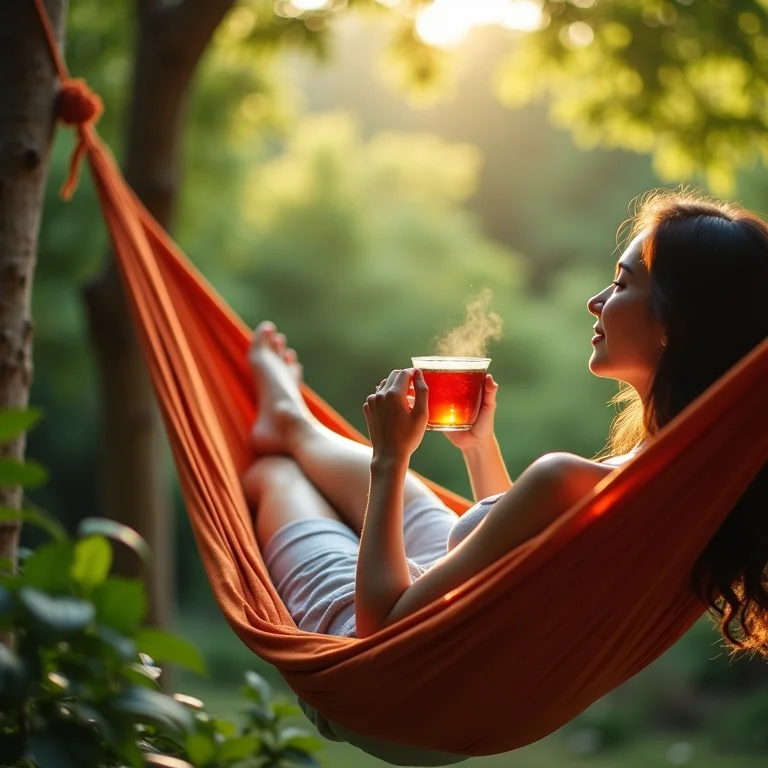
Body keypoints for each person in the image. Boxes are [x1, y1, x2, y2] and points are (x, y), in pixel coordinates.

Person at [242, 189, 768, 654]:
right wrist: (479, 449)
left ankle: (287, 429)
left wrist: (390, 456)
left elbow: (381, 626)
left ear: (673, 326)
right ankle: (290, 420)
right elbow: (526, 571)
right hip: (455, 621)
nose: (595, 302)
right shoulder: (687, 487)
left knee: (276, 475)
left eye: (622, 285)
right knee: (417, 501)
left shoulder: (570, 478)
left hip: (376, 654)